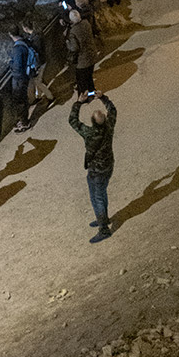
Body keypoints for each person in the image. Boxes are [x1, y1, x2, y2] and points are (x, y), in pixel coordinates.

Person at [69, 91, 118, 243]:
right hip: (108, 165)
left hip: (96, 170)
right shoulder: (109, 126)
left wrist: (79, 102)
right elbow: (113, 110)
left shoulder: (89, 133)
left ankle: (103, 228)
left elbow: (72, 121)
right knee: (101, 193)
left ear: (92, 121)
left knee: (96, 197)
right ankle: (103, 217)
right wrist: (103, 98)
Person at [22, 19, 54, 107]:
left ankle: (50, 97)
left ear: (25, 28)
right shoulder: (38, 34)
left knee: (38, 82)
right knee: (38, 80)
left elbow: (36, 53)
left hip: (39, 63)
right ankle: (38, 96)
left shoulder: (34, 39)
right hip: (43, 60)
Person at [67, 8, 96, 96]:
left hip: (83, 59)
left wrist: (68, 43)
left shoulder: (73, 32)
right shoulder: (86, 23)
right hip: (92, 54)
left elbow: (74, 48)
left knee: (81, 79)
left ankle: (83, 97)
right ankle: (91, 92)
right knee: (89, 76)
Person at [8, 27, 31, 132]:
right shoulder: (24, 42)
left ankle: (24, 123)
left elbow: (17, 66)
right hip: (25, 75)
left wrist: (10, 63)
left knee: (20, 100)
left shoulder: (17, 49)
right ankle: (24, 120)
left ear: (10, 35)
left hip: (19, 78)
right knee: (23, 98)